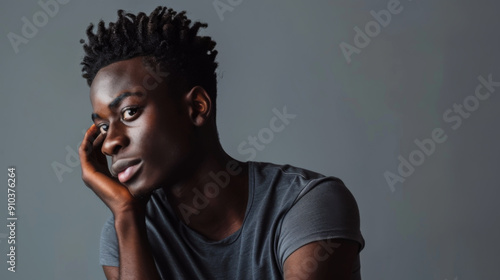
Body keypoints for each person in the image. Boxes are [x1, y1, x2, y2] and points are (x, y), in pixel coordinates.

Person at [78, 6, 365, 280]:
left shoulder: (305, 204)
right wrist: (127, 214)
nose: (109, 143)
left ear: (197, 107)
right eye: (103, 126)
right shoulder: (128, 230)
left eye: (130, 112)